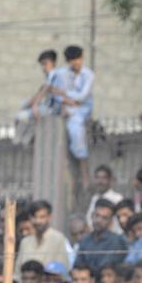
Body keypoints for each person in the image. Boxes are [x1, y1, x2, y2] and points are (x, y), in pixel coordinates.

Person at [50, 45, 95, 183]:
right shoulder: (61, 74)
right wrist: (66, 100)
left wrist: (65, 95)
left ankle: (82, 165)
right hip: (66, 106)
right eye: (72, 60)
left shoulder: (88, 75)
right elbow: (54, 92)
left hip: (82, 109)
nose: (76, 63)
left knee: (75, 128)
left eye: (78, 59)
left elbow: (82, 97)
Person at [14, 49, 62, 145]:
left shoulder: (55, 75)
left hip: (52, 108)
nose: (43, 67)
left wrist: (35, 105)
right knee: (26, 110)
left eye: (45, 64)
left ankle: (20, 141)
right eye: (42, 65)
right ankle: (25, 141)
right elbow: (41, 92)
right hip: (47, 106)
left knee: (20, 116)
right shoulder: (50, 76)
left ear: (53, 62)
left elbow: (46, 90)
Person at [16, 200, 70, 271]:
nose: (38, 221)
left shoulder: (58, 239)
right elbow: (18, 271)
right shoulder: (25, 242)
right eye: (35, 217)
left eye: (42, 217)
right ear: (30, 218)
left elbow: (62, 269)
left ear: (49, 217)